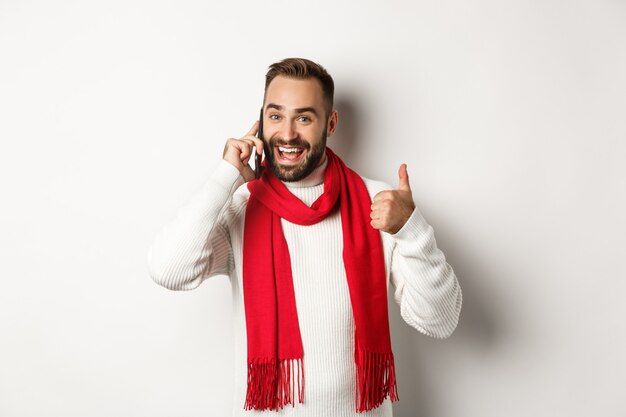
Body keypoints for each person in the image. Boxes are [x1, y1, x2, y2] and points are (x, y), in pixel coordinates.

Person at [147, 58, 462, 417]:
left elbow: (440, 320)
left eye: (304, 118)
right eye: (276, 116)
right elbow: (168, 269)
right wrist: (226, 176)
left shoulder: (380, 205)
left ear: (330, 123)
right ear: (261, 121)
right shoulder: (241, 205)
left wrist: (412, 229)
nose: (288, 134)